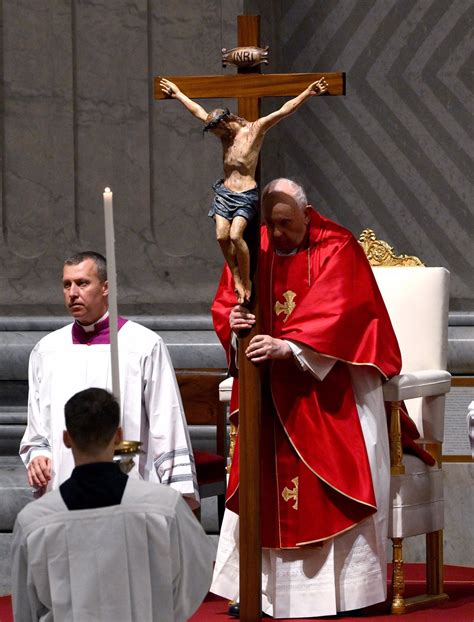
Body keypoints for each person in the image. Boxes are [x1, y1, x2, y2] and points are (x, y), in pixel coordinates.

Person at [210, 178, 402, 618]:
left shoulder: (337, 246)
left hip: (325, 386)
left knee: (327, 482)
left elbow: (344, 309)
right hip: (264, 388)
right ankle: (260, 593)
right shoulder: (251, 247)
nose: (277, 235)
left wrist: (290, 346)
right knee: (259, 479)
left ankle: (341, 594)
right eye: (271, 224)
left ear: (306, 213)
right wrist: (236, 318)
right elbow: (226, 300)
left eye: (286, 224)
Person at [12, 388, 213, 622]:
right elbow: (195, 574)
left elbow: (26, 606)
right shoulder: (164, 507)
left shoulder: (34, 522)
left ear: (66, 439)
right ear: (119, 437)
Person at [19, 251, 199, 508]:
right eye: (66, 284)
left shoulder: (144, 345)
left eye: (82, 283)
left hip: (129, 486)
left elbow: (166, 421)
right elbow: (38, 426)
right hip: (65, 487)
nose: (72, 293)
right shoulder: (46, 350)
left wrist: (176, 492)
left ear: (105, 288)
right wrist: (38, 455)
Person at [159, 76, 328, 304]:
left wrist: (308, 93)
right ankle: (237, 276)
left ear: (226, 122)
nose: (217, 136)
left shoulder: (254, 130)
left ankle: (246, 279)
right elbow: (198, 112)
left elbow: (283, 111)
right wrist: (178, 94)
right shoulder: (224, 137)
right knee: (221, 236)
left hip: (245, 194)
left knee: (236, 235)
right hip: (225, 192)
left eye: (217, 130)